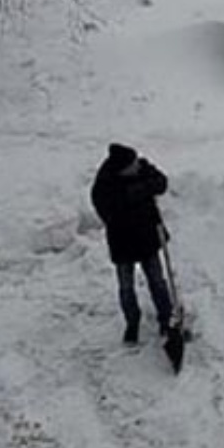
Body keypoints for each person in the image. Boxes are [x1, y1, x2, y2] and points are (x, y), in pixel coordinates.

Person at [90, 143, 175, 346]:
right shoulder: (104, 184)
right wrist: (135, 194)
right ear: (121, 169)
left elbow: (161, 183)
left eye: (136, 162)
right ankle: (132, 323)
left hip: (147, 237)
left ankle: (166, 319)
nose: (137, 165)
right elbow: (107, 210)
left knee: (157, 280)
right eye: (132, 165)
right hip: (122, 241)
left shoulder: (142, 168)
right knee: (126, 287)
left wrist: (145, 186)